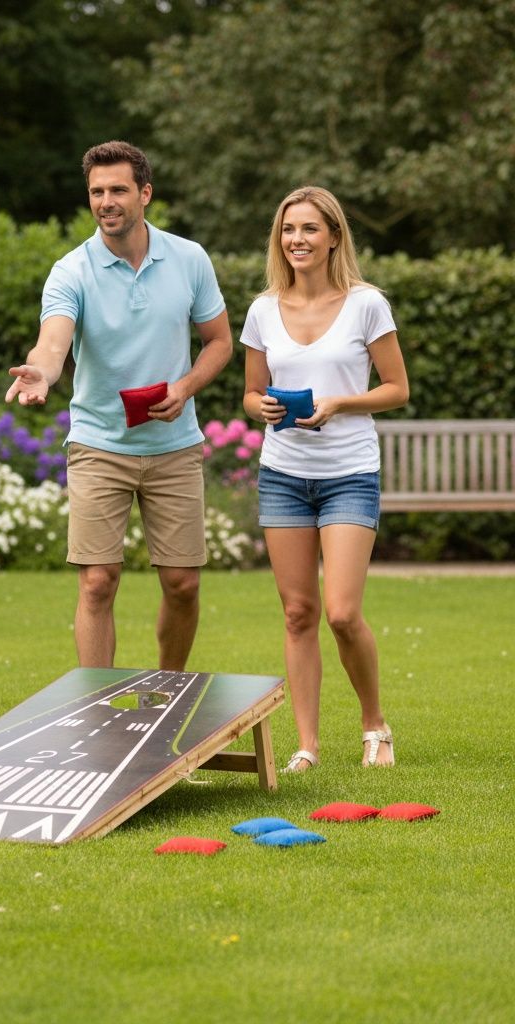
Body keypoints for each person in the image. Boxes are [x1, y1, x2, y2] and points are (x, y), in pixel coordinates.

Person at [6, 140, 232, 670]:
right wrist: (43, 369)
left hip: (174, 445)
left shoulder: (189, 259)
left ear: (145, 193)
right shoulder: (71, 271)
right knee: (98, 581)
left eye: (117, 190)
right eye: (96, 192)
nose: (106, 201)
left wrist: (185, 388)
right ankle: (96, 710)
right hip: (99, 443)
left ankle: (167, 694)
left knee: (182, 584)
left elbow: (219, 342)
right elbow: (54, 339)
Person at [240, 185, 409, 771]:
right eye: (289, 230)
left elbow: (397, 388)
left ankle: (374, 724)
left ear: (334, 236)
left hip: (348, 474)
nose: (298, 240)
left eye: (310, 229)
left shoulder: (366, 304)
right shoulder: (263, 309)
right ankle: (306, 746)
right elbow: (251, 391)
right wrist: (257, 407)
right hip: (283, 475)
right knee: (297, 613)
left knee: (340, 611)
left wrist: (339, 403)